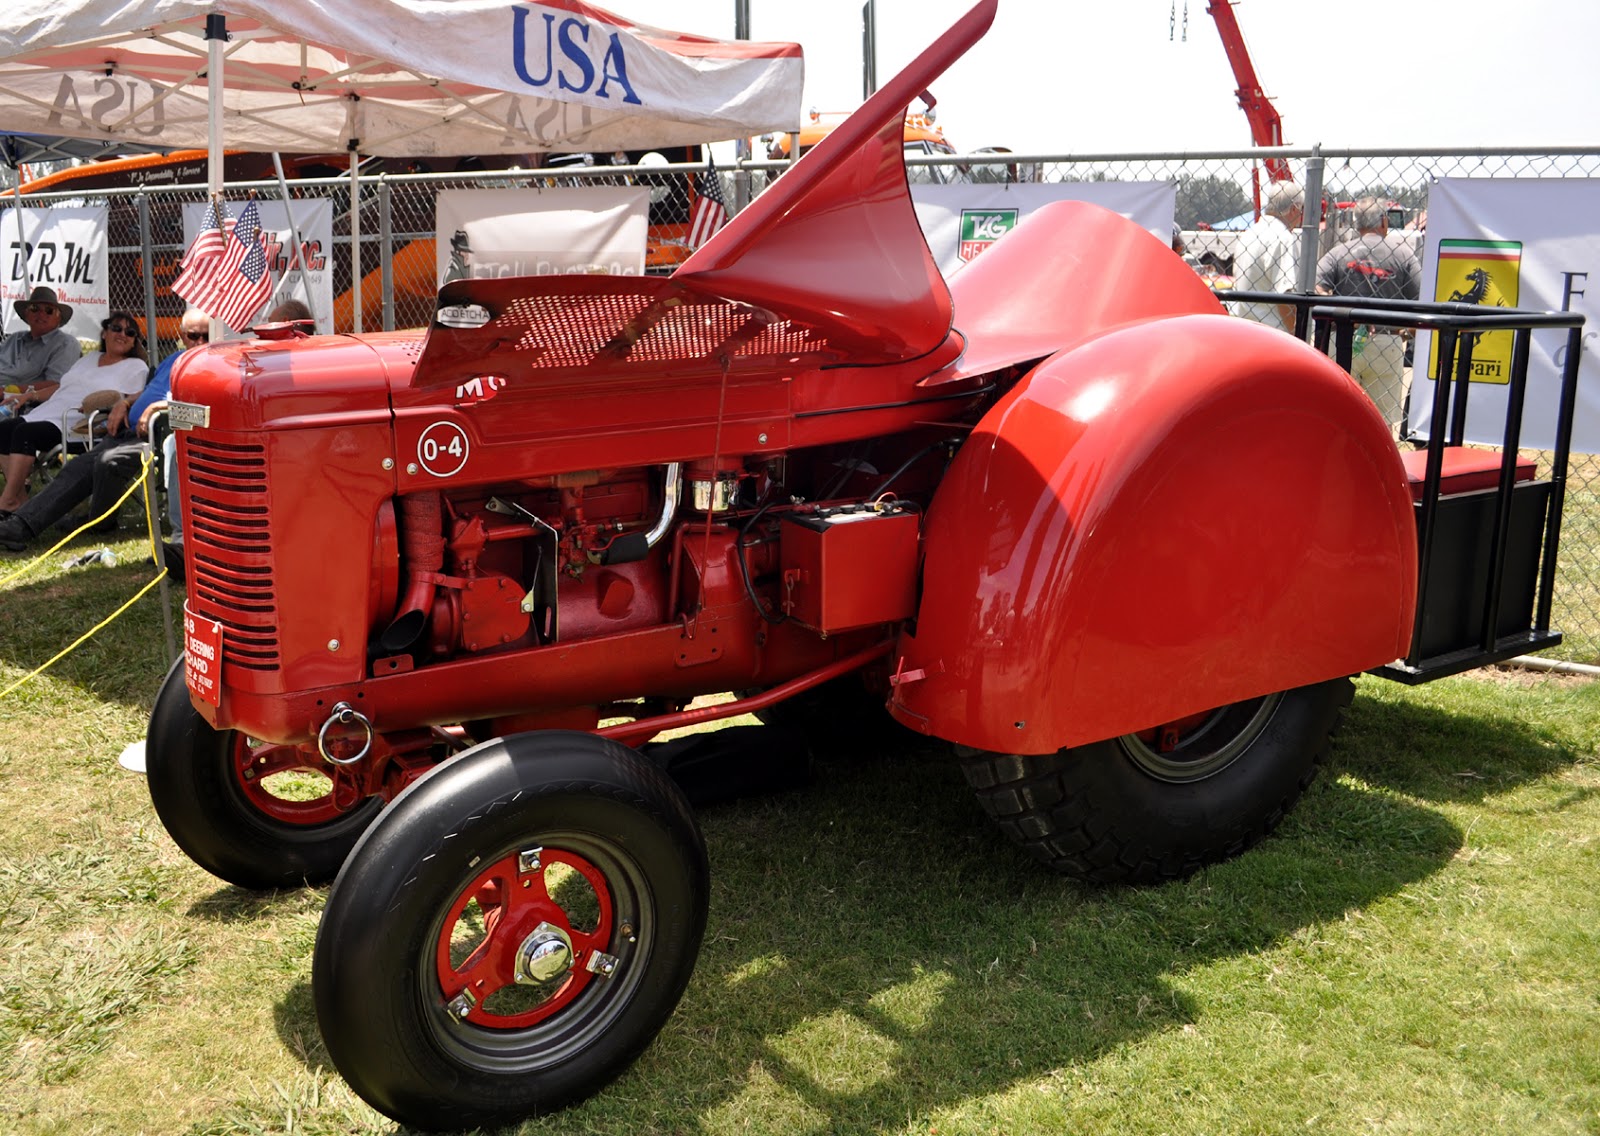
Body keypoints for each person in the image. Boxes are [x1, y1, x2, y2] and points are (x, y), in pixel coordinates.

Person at [0, 310, 208, 555]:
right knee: (75, 468)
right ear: (182, 335)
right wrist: (126, 403)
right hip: (124, 430)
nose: (201, 342)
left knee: (108, 461)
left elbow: (201, 409)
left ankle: (100, 522)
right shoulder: (173, 359)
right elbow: (148, 391)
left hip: (159, 434)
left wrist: (157, 407)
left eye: (207, 336)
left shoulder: (209, 365)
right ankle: (21, 525)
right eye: (194, 336)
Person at [0, 310, 150, 515]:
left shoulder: (136, 366)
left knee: (24, 433)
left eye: (130, 332)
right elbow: (62, 387)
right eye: (116, 328)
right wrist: (30, 396)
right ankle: (20, 501)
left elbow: (133, 398)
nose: (122, 334)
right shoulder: (89, 359)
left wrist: (102, 403)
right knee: (4, 429)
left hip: (81, 423)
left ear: (134, 342)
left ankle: (7, 500)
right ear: (105, 332)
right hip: (50, 411)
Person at [1316, 197, 1422, 428]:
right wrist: (1407, 330)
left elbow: (1317, 288)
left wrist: (1344, 311)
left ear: (1357, 223)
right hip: (1387, 338)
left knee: (1339, 412)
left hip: (1342, 336)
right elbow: (1420, 299)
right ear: (1384, 221)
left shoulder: (1337, 253)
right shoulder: (1404, 254)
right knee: (1382, 421)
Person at [1231, 182, 1305, 333]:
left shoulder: (1249, 234)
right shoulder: (1283, 238)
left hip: (1242, 328)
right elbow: (1285, 296)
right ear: (1294, 209)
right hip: (1273, 334)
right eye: (1301, 209)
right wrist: (1296, 334)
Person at [0, 286, 82, 407]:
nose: (41, 314)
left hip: (24, 407)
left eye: (49, 310)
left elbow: (56, 385)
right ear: (27, 314)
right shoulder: (13, 339)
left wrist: (10, 391)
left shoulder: (66, 344)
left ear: (58, 318)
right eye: (35, 308)